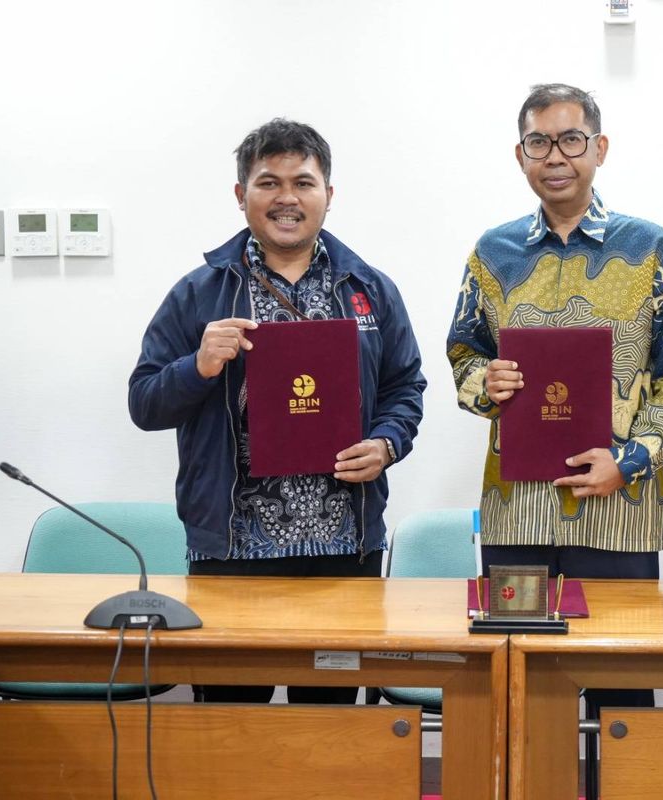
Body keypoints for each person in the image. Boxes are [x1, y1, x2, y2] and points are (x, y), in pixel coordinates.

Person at [129, 118, 426, 704]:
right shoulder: (200, 293)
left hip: (345, 548)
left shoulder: (369, 288)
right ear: (241, 196)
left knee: (333, 729)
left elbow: (405, 387)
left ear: (328, 196)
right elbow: (144, 401)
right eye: (268, 182)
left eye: (303, 183)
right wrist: (199, 365)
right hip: (232, 552)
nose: (287, 198)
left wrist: (387, 443)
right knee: (233, 727)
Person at [446, 84, 663, 713]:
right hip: (518, 511)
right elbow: (463, 351)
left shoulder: (649, 248)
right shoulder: (492, 252)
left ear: (599, 148)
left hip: (620, 508)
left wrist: (635, 457)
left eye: (571, 140)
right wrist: (482, 383)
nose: (555, 156)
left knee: (619, 680)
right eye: (539, 142)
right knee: (518, 680)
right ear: (520, 155)